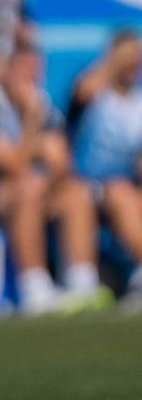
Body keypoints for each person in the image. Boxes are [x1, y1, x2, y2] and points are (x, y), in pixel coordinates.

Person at [0, 42, 108, 313]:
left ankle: (83, 283)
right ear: (8, 71)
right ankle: (34, 288)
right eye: (24, 69)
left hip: (30, 188)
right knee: (28, 186)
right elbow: (10, 164)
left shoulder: (42, 103)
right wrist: (33, 125)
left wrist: (40, 149)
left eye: (35, 69)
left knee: (75, 191)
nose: (31, 77)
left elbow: (61, 162)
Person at [69, 31, 142, 310]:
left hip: (125, 186)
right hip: (86, 182)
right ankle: (81, 283)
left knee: (123, 193)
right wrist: (115, 60)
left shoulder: (138, 101)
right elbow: (83, 91)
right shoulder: (97, 94)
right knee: (98, 193)